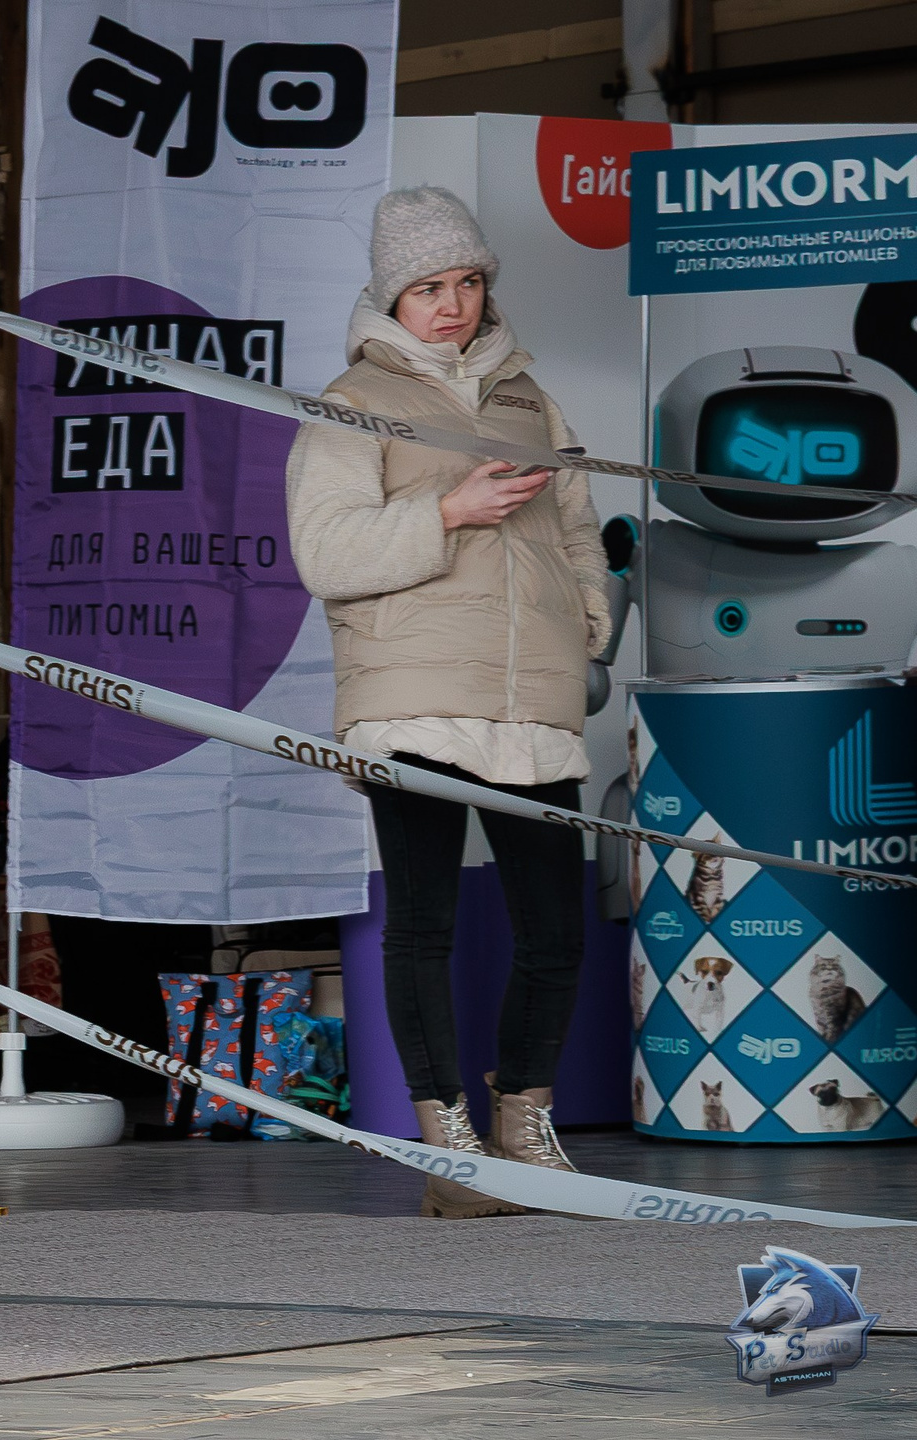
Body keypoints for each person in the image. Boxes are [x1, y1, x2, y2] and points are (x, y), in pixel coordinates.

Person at [285, 186, 609, 1217]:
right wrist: (450, 508)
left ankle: (523, 1128)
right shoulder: (348, 401)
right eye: (429, 286)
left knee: (556, 928)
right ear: (391, 294)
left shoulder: (529, 399)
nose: (454, 304)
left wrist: (585, 628)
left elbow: (577, 533)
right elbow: (325, 554)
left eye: (468, 281)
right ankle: (449, 1153)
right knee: (422, 926)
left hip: (533, 705)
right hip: (414, 697)